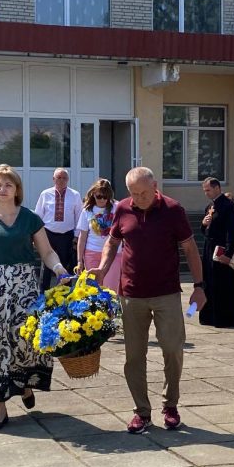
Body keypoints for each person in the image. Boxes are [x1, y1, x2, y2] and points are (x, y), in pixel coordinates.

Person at [90, 167, 206, 434]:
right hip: (131, 294)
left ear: (155, 187)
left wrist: (199, 287)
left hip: (166, 292)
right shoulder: (123, 209)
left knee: (173, 349)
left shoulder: (173, 210)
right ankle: (141, 412)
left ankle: (170, 405)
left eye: (143, 193)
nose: (138, 198)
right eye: (133, 193)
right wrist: (104, 268)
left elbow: (190, 248)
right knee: (134, 356)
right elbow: (112, 242)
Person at [0, 164, 68, 432]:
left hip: (24, 290)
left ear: (16, 189)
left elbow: (47, 252)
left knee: (25, 341)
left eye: (8, 185)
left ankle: (24, 386)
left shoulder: (30, 218)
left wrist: (59, 269)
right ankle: (0, 409)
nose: (3, 189)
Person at [199, 177, 234, 328]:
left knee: (223, 283)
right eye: (204, 191)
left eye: (208, 190)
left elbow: (232, 231)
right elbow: (205, 230)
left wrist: (229, 252)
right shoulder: (210, 206)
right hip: (209, 248)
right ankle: (208, 315)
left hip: (222, 249)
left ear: (217, 188)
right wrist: (204, 224)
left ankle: (225, 317)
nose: (206, 193)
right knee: (208, 281)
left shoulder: (228, 206)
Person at [35, 168, 83, 290]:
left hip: (66, 235)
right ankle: (44, 293)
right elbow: (38, 215)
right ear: (53, 179)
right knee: (46, 264)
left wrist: (77, 236)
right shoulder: (45, 194)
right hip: (48, 234)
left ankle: (65, 292)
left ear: (68, 180)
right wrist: (36, 235)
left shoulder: (75, 195)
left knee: (65, 264)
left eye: (64, 178)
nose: (61, 180)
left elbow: (79, 216)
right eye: (59, 178)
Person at [74, 178, 122, 291]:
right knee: (93, 289)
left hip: (113, 253)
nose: (102, 200)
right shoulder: (87, 211)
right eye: (99, 196)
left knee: (110, 288)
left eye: (105, 197)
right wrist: (79, 261)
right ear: (93, 194)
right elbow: (82, 237)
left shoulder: (117, 207)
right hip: (92, 252)